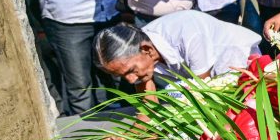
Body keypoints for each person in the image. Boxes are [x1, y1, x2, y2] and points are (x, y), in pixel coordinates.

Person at [94, 13, 261, 92]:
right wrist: (139, 134)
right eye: (123, 76)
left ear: (147, 50)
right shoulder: (139, 50)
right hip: (207, 83)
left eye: (130, 71)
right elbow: (147, 105)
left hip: (241, 63)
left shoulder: (188, 34)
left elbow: (204, 93)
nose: (130, 80)